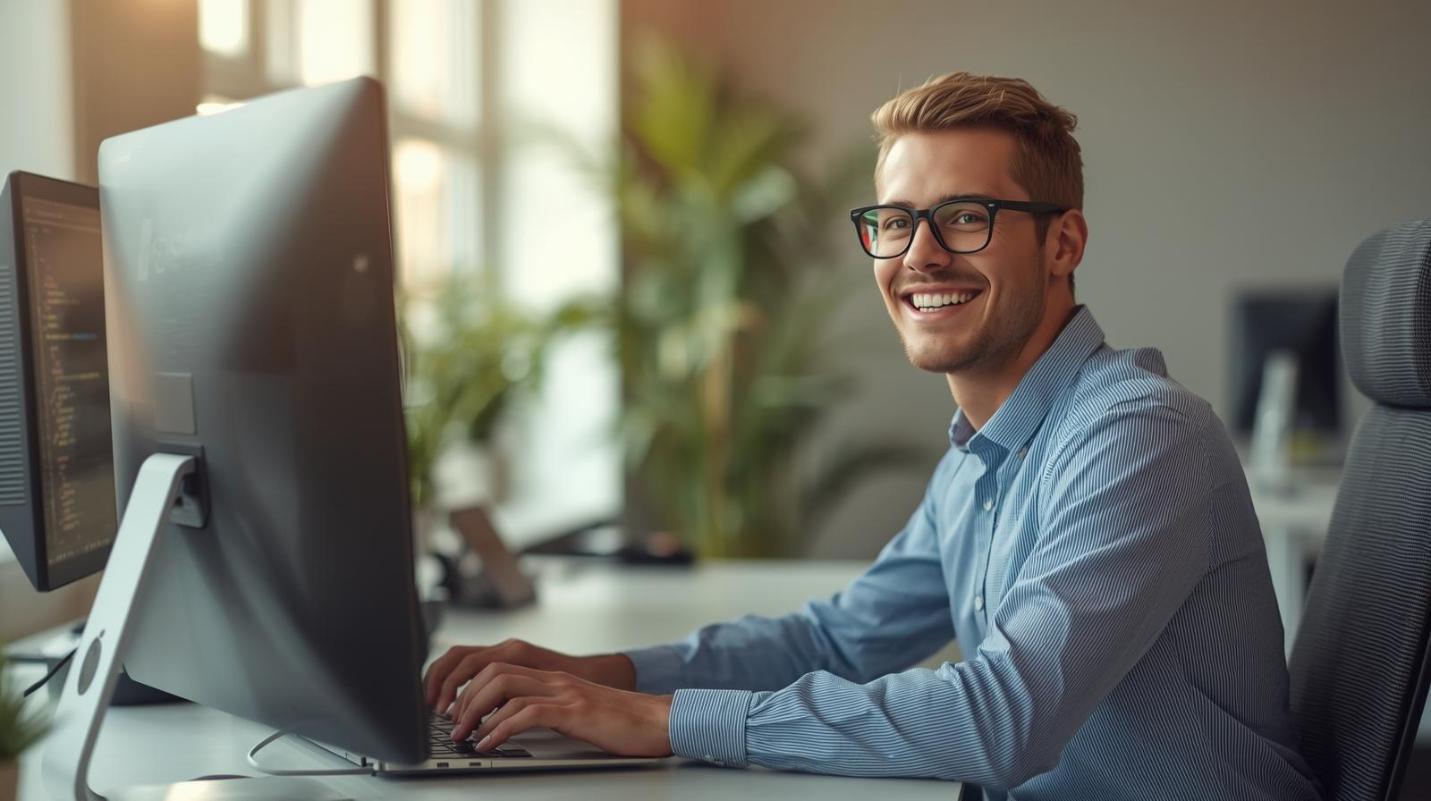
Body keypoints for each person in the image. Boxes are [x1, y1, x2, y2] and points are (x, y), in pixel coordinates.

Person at [421, 72, 1323, 800]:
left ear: (1062, 244)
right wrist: (599, 674)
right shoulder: (982, 450)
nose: (918, 255)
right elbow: (839, 637)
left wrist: (659, 718)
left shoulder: (1135, 435)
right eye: (894, 222)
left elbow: (997, 721)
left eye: (965, 216)